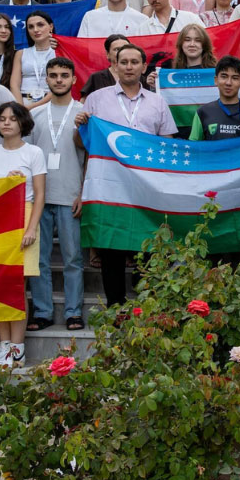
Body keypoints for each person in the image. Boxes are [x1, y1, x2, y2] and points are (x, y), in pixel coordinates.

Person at [74, 44, 177, 307]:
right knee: (112, 247)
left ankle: (148, 306)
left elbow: (166, 145)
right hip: (110, 186)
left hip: (147, 187)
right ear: (115, 66)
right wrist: (80, 127)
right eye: (124, 62)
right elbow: (81, 143)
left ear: (144, 67)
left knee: (149, 245)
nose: (129, 67)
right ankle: (116, 307)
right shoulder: (96, 99)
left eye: (135, 62)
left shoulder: (158, 102)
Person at [0, 102, 46, 371]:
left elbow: (40, 194)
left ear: (22, 123)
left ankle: (17, 350)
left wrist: (31, 228)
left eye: (12, 118)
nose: (7, 123)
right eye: (2, 119)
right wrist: (5, 182)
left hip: (24, 217)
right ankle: (3, 347)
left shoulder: (34, 152)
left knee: (17, 287)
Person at [27, 57, 86, 332]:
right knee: (40, 260)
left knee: (73, 258)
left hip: (70, 194)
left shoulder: (84, 114)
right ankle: (42, 311)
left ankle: (73, 312)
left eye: (64, 75)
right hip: (38, 198)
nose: (59, 79)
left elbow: (90, 158)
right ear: (46, 79)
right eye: (54, 75)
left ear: (74, 79)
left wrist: (83, 193)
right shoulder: (36, 116)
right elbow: (25, 157)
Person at [189, 55, 240, 141]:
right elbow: (194, 148)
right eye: (224, 76)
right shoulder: (202, 112)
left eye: (235, 78)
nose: (228, 83)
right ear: (216, 80)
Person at [9, 11, 56, 108]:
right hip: (23, 104)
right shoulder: (21, 53)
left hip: (51, 103)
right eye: (31, 27)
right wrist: (20, 108)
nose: (35, 30)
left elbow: (61, 84)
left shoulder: (59, 53)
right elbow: (14, 84)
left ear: (51, 27)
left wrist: (33, 107)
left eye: (40, 25)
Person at [80, 34, 130, 99]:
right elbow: (84, 105)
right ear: (108, 54)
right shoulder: (96, 78)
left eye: (125, 48)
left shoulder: (139, 78)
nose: (121, 52)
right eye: (117, 49)